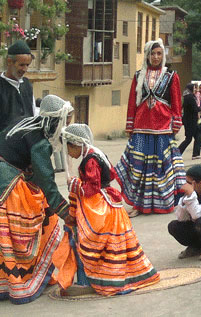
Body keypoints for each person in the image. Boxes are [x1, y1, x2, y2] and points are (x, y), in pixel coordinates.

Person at [0, 95, 73, 303]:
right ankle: (20, 278)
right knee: (37, 223)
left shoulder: (25, 123)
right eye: (65, 122)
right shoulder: (41, 143)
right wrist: (65, 212)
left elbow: (0, 140)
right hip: (7, 188)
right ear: (55, 121)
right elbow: (47, 182)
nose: (66, 128)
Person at [54, 124, 160, 296]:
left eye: (68, 149)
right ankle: (113, 277)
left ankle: (95, 280)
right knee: (112, 243)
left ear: (75, 145)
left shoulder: (90, 160)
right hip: (109, 203)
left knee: (88, 240)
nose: (68, 154)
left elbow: (92, 187)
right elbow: (109, 175)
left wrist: (75, 185)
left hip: (100, 206)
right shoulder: (95, 153)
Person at [115, 39, 185, 217]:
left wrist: (176, 122)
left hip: (162, 128)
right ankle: (139, 205)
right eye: (152, 54)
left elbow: (176, 102)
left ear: (163, 55)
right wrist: (129, 124)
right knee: (139, 167)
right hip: (141, 127)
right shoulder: (139, 75)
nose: (155, 57)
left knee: (161, 167)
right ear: (147, 55)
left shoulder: (171, 76)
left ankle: (162, 204)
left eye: (159, 54)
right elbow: (132, 101)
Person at [0, 40, 37, 158]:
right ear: (9, 62)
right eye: (21, 65)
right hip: (4, 157)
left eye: (27, 65)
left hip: (25, 157)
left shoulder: (27, 85)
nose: (25, 69)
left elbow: (33, 118)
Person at [179, 83, 201, 159]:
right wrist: (200, 109)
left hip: (189, 120)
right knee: (189, 139)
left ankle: (196, 154)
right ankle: (177, 153)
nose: (195, 90)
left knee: (197, 136)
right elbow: (194, 108)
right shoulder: (190, 97)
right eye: (194, 88)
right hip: (191, 121)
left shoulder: (186, 96)